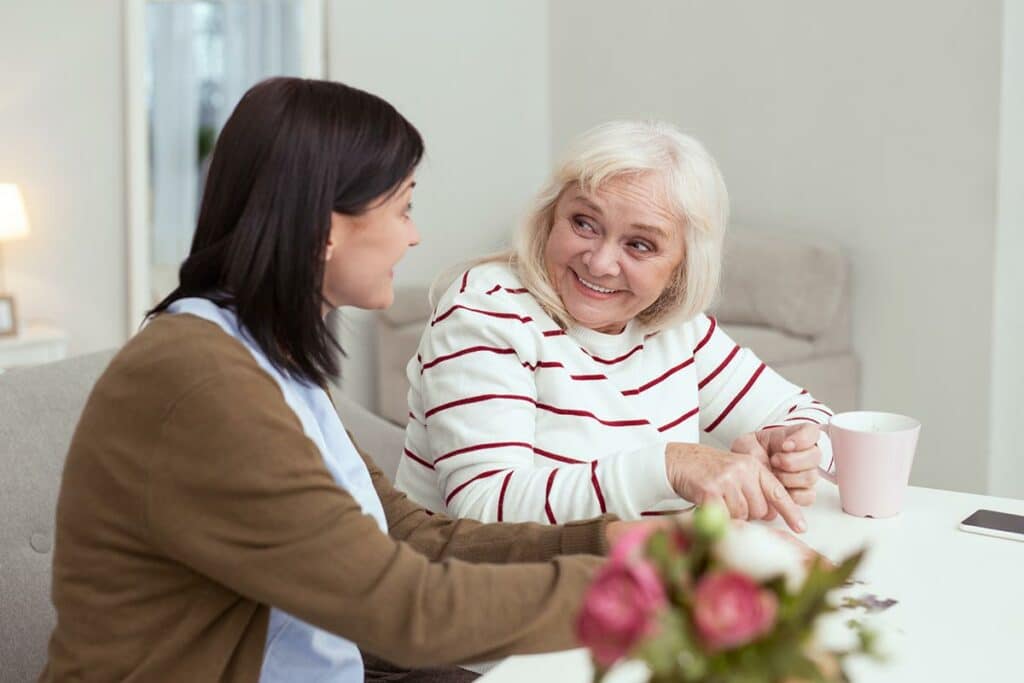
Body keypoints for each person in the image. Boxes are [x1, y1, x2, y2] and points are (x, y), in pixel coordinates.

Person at [40, 78, 658, 683]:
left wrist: (611, 541)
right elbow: (398, 607)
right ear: (328, 226)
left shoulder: (265, 364)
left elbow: (408, 539)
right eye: (403, 207)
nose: (413, 234)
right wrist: (633, 588)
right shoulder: (200, 381)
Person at [395, 121, 832, 532]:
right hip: (487, 595)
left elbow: (811, 419)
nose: (600, 263)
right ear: (551, 216)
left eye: (639, 245)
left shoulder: (677, 330)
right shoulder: (487, 308)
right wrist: (670, 466)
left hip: (619, 585)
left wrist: (796, 451)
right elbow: (483, 509)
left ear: (681, 268)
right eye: (585, 223)